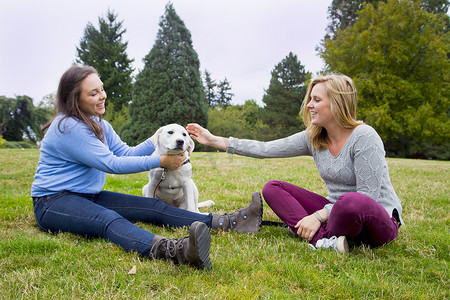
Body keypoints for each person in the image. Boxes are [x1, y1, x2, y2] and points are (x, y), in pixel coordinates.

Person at [31, 65, 263, 270]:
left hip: (87, 196)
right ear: (74, 98)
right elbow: (112, 164)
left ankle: (229, 222)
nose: (102, 96)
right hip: (53, 202)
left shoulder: (100, 124)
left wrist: (156, 138)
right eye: (93, 93)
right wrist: (161, 161)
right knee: (108, 220)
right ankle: (176, 251)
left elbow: (125, 152)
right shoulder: (67, 127)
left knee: (151, 205)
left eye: (101, 89)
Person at [187, 74, 403, 254]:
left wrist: (318, 216)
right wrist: (215, 140)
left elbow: (368, 198)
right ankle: (323, 241)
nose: (309, 105)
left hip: (375, 220)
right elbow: (265, 149)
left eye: (316, 100)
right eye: (310, 99)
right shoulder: (314, 137)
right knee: (272, 188)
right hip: (335, 214)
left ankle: (320, 232)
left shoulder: (364, 136)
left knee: (351, 202)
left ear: (337, 103)